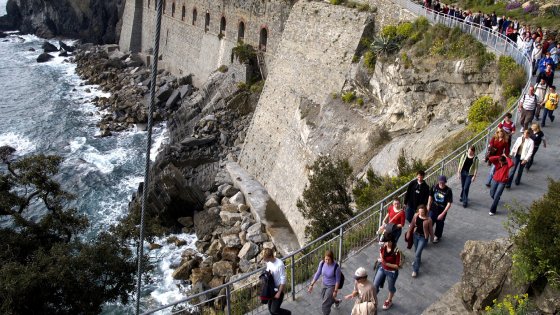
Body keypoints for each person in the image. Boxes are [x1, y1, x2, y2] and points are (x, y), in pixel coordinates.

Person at [308, 250, 342, 314]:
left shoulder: (336, 267)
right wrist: (311, 285)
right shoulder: (322, 263)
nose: (327, 261)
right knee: (324, 297)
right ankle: (337, 301)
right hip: (324, 284)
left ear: (332, 258)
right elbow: (318, 273)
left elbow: (338, 280)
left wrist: (335, 291)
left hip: (332, 286)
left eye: (329, 259)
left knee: (325, 305)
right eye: (326, 259)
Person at [373, 236, 401, 311]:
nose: (387, 243)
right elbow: (380, 253)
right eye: (386, 242)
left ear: (392, 241)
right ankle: (373, 301)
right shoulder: (383, 246)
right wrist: (381, 258)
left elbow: (397, 266)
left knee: (390, 287)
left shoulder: (396, 251)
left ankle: (389, 300)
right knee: (375, 284)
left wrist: (386, 263)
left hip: (391, 272)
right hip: (382, 268)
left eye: (389, 242)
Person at [409, 204, 434, 278]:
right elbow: (412, 223)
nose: (420, 213)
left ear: (425, 211)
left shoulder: (429, 220)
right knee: (417, 251)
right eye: (419, 212)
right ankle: (418, 261)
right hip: (415, 235)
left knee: (417, 254)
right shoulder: (416, 215)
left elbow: (431, 230)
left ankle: (415, 270)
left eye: (422, 212)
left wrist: (432, 238)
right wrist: (409, 231)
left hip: (423, 238)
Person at [263, 248, 290, 315]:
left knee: (274, 310)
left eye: (265, 258)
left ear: (270, 257)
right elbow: (268, 271)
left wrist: (279, 292)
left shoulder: (280, 264)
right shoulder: (268, 262)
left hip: (278, 289)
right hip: (271, 288)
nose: (264, 260)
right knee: (270, 309)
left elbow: (283, 279)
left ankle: (288, 313)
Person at [427, 175, 452, 243]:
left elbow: (449, 203)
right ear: (438, 181)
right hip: (433, 208)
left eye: (443, 182)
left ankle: (437, 236)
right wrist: (428, 206)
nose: (441, 183)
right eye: (440, 182)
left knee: (440, 223)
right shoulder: (434, 187)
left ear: (445, 182)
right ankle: (427, 233)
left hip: (442, 210)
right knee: (429, 221)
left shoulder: (448, 190)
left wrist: (443, 213)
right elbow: (430, 196)